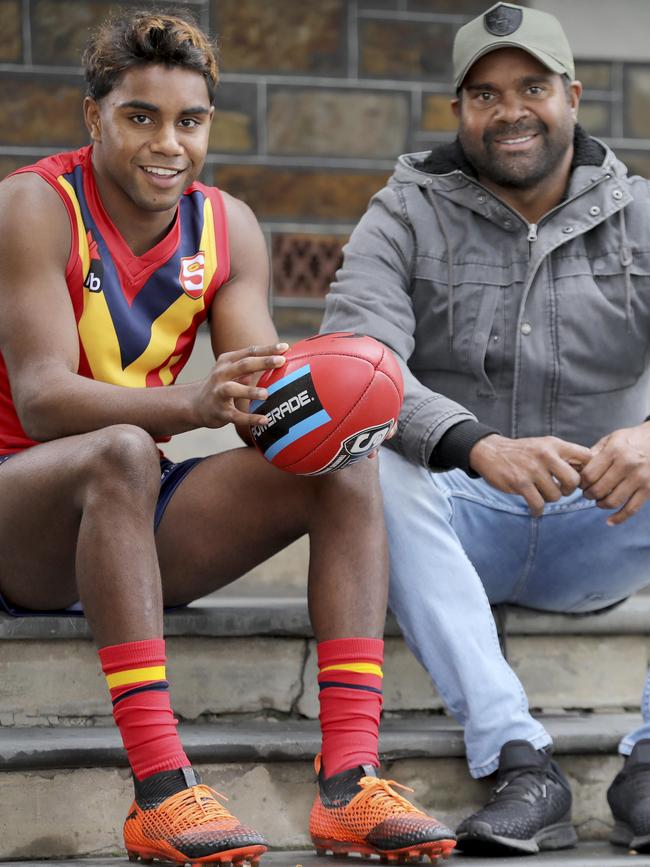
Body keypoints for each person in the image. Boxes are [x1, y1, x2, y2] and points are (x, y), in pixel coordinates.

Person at [0, 9, 457, 865]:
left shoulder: (227, 226)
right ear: (94, 117)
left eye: (190, 120)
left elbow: (261, 394)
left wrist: (331, 391)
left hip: (132, 518)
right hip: (22, 510)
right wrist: (193, 406)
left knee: (341, 459)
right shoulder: (33, 206)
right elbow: (43, 400)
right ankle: (162, 792)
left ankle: (350, 779)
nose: (167, 142)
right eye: (141, 116)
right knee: (124, 448)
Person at [321, 0, 650, 857]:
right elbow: (353, 364)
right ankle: (520, 763)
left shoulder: (643, 215)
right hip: (455, 517)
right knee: (362, 464)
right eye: (485, 94)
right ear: (459, 110)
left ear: (572, 95)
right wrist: (476, 445)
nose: (510, 111)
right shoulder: (402, 213)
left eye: (531, 86)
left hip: (602, 519)